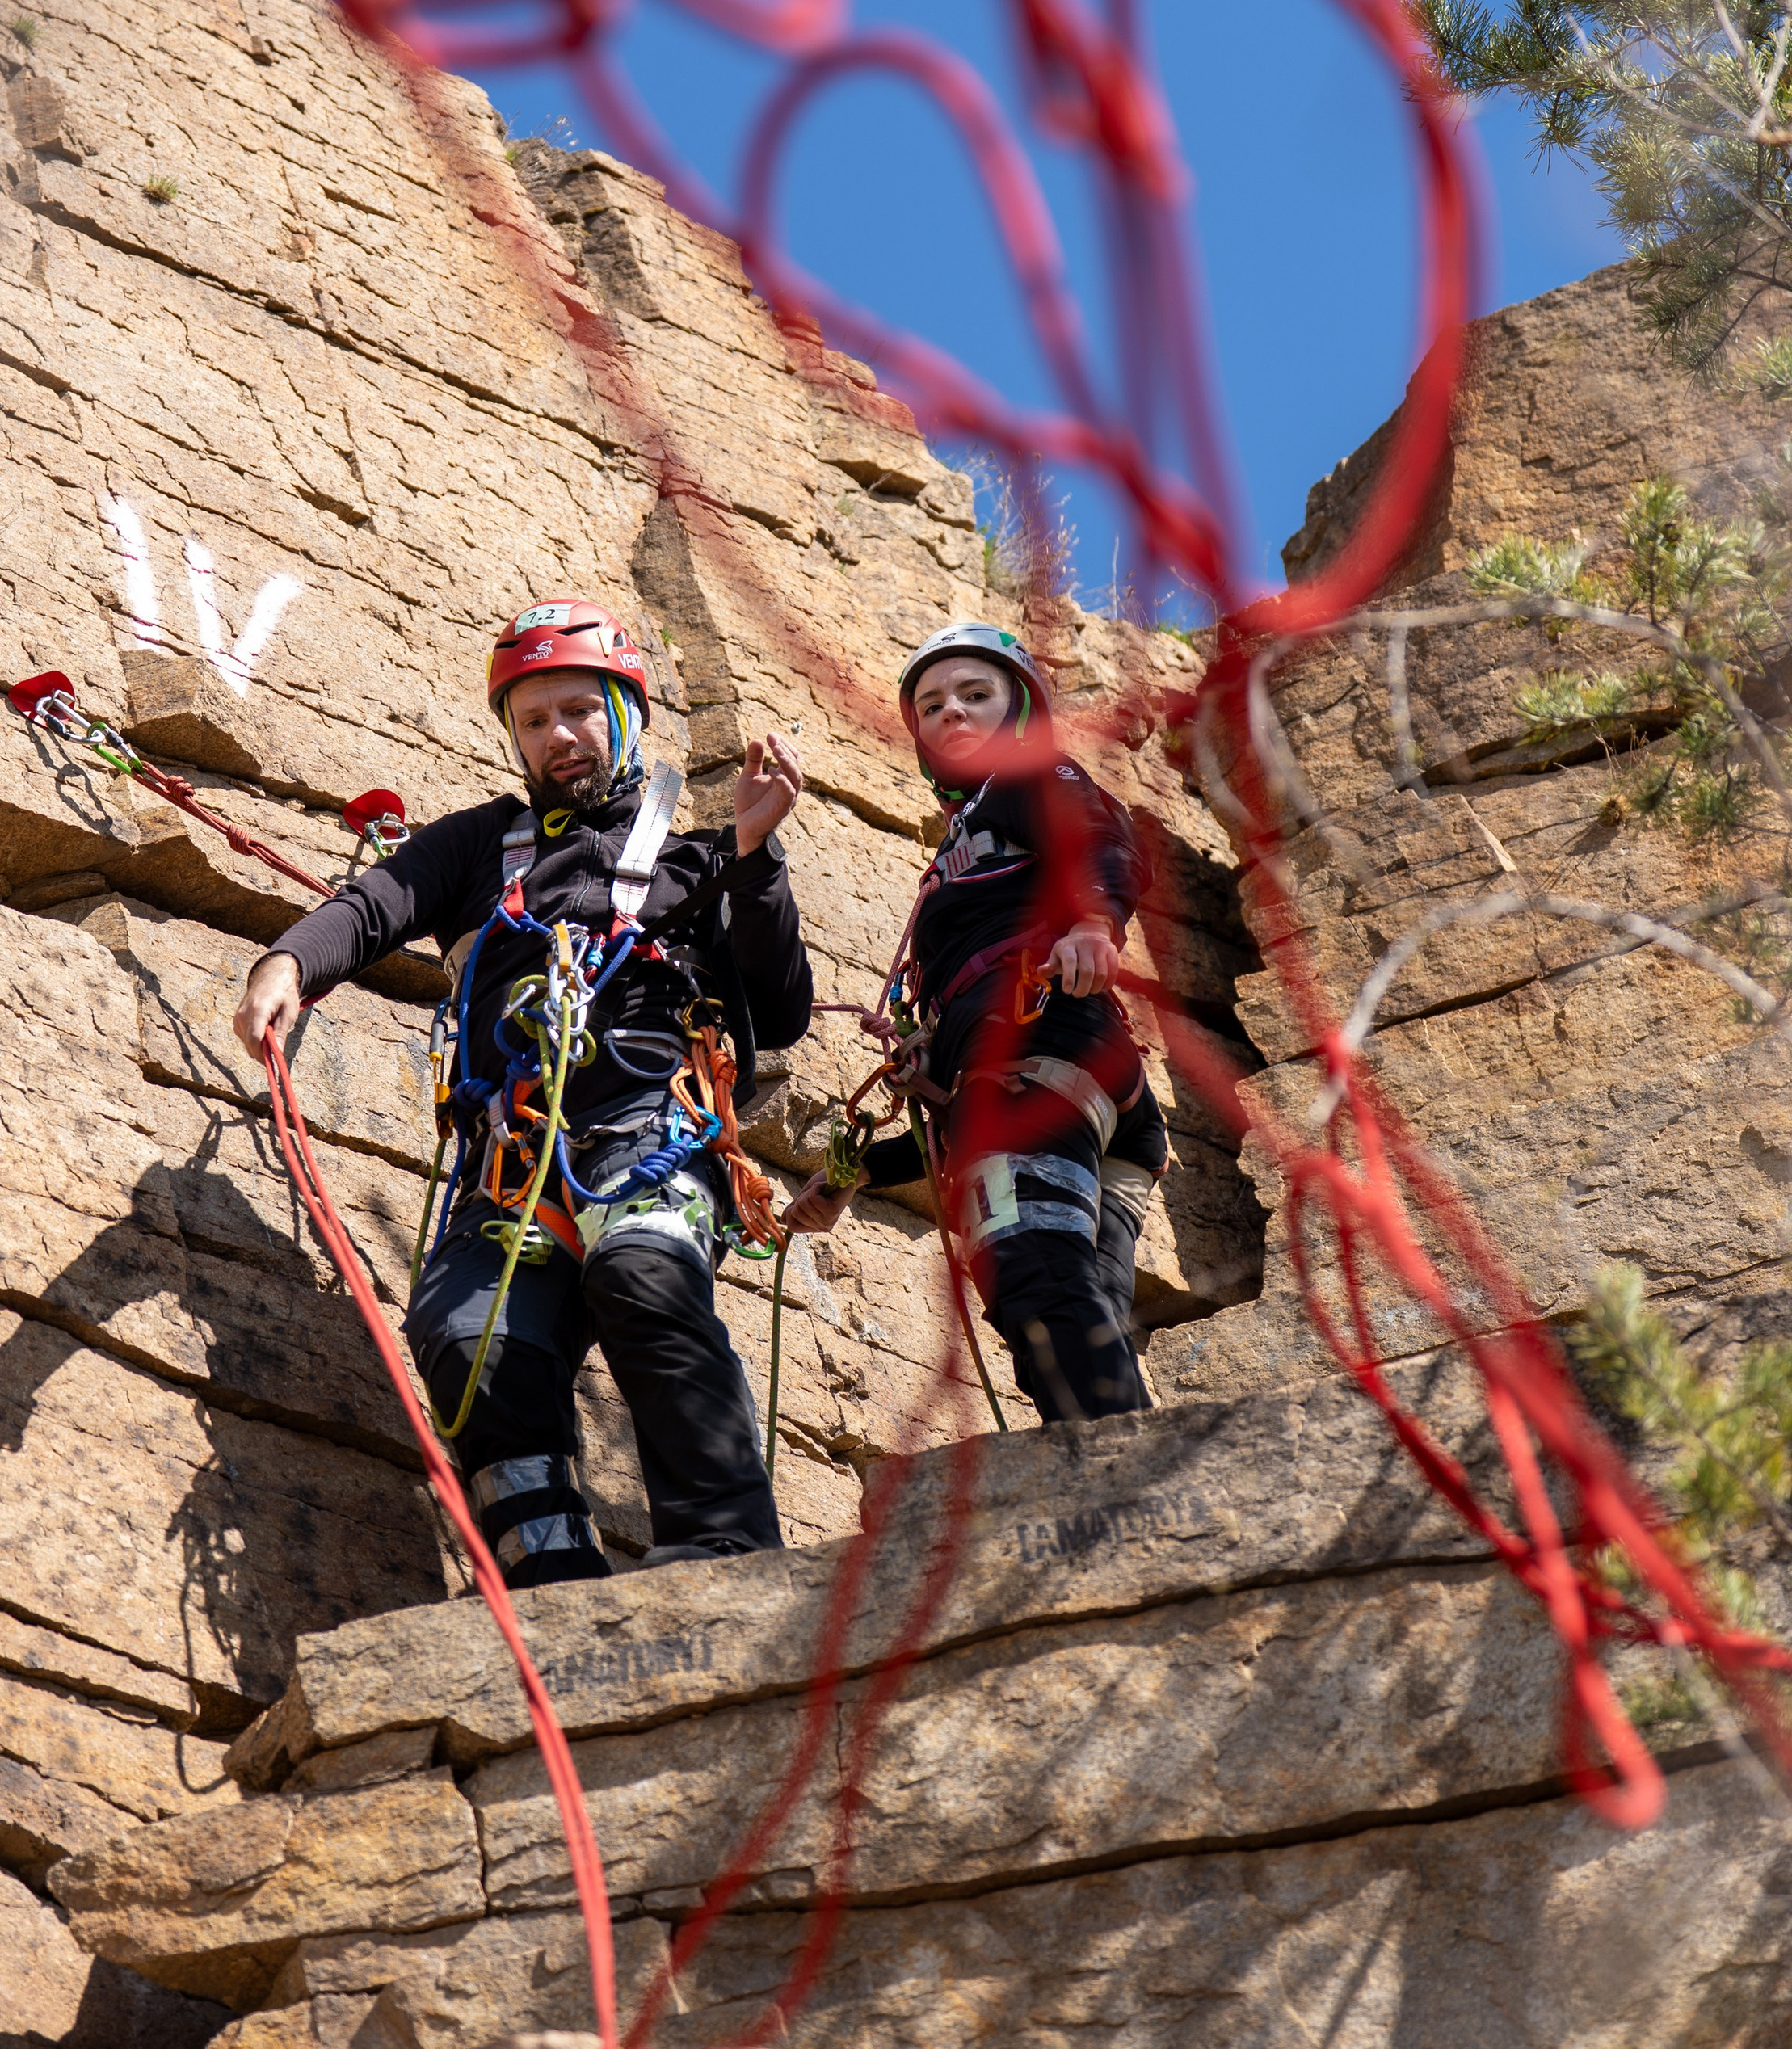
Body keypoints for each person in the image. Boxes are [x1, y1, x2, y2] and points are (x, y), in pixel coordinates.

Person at [234, 596, 809, 1586]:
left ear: (626, 711)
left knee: (642, 1273)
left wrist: (754, 860)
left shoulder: (699, 855)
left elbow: (780, 1008)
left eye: (581, 710)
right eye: (534, 721)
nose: (559, 738)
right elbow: (376, 905)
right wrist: (285, 966)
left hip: (652, 1128)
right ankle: (550, 1580)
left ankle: (726, 1549)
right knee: (465, 1336)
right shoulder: (477, 847)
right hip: (512, 1155)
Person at [788, 621, 1163, 1426]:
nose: (952, 709)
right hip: (1083, 1092)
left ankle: (1123, 1487)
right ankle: (1133, 1458)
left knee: (1030, 1273)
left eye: (976, 693)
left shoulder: (1034, 776)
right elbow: (966, 1115)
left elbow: (1099, 839)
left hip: (1044, 1052)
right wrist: (857, 1172)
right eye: (931, 703)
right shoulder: (971, 841)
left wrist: (1095, 925)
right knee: (1080, 1297)